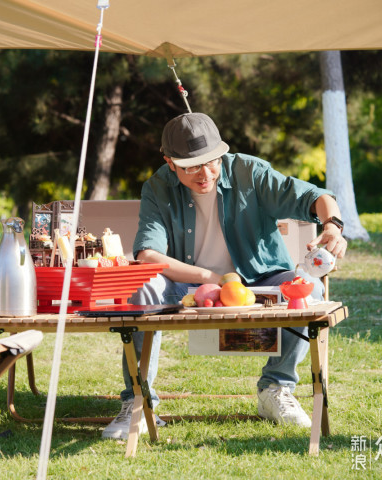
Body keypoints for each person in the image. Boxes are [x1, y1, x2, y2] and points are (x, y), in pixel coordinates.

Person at [102, 112, 348, 440]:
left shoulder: (249, 171)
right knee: (144, 286)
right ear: (170, 162)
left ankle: (275, 389)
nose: (205, 174)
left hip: (260, 277)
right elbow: (149, 256)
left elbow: (315, 197)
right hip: (186, 285)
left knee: (309, 290)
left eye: (212, 162)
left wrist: (333, 225)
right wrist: (214, 277)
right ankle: (138, 401)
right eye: (191, 166)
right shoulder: (158, 187)